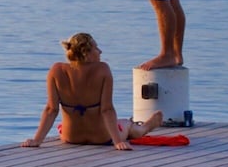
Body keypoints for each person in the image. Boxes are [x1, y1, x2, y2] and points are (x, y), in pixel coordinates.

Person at [22, 33, 163, 151]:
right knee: (126, 124)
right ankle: (143, 127)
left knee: (64, 123)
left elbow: (51, 109)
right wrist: (117, 142)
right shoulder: (102, 70)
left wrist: (37, 140)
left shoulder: (56, 70)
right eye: (96, 48)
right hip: (101, 137)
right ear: (86, 53)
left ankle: (136, 126)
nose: (100, 52)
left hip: (71, 137)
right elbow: (107, 110)